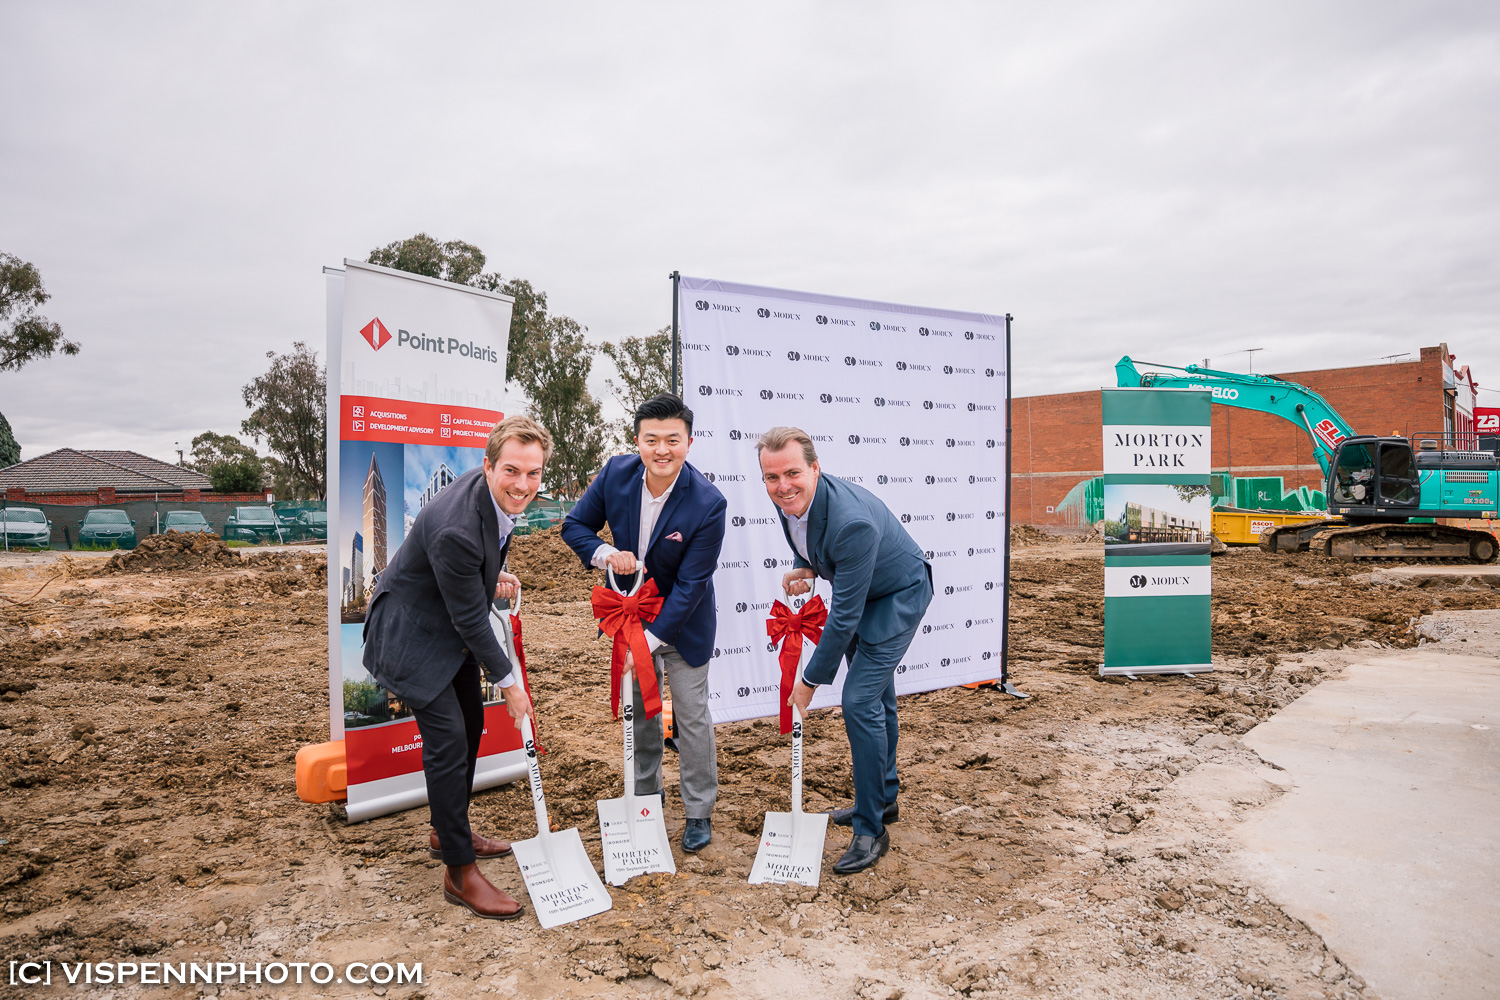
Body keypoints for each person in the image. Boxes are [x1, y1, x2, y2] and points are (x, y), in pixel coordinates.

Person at [362, 415, 553, 920]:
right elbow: (471, 617)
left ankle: (448, 829)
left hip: (445, 626)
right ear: (487, 465)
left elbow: (473, 572)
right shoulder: (457, 529)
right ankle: (458, 870)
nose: (523, 485)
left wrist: (491, 571)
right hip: (411, 637)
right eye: (512, 471)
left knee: (470, 726)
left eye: (533, 474)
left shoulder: (494, 499)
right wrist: (510, 684)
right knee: (448, 740)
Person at [757, 426, 933, 874]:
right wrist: (810, 567)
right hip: (865, 591)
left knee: (858, 702)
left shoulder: (850, 521)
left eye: (793, 473)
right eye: (772, 478)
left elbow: (845, 617)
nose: (783, 486)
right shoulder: (791, 501)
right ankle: (884, 800)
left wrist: (810, 680)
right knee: (878, 700)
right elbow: (819, 544)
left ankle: (872, 829)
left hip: (897, 596)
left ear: (816, 468)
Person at [561, 393, 728, 853]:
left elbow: (693, 586)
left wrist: (649, 643)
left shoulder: (709, 503)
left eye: (672, 440)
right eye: (651, 439)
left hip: (684, 623)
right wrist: (604, 554)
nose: (661, 449)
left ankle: (698, 811)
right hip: (629, 615)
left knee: (691, 718)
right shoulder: (616, 474)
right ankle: (646, 798)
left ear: (688, 443)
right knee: (641, 714)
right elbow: (574, 526)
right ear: (637, 441)